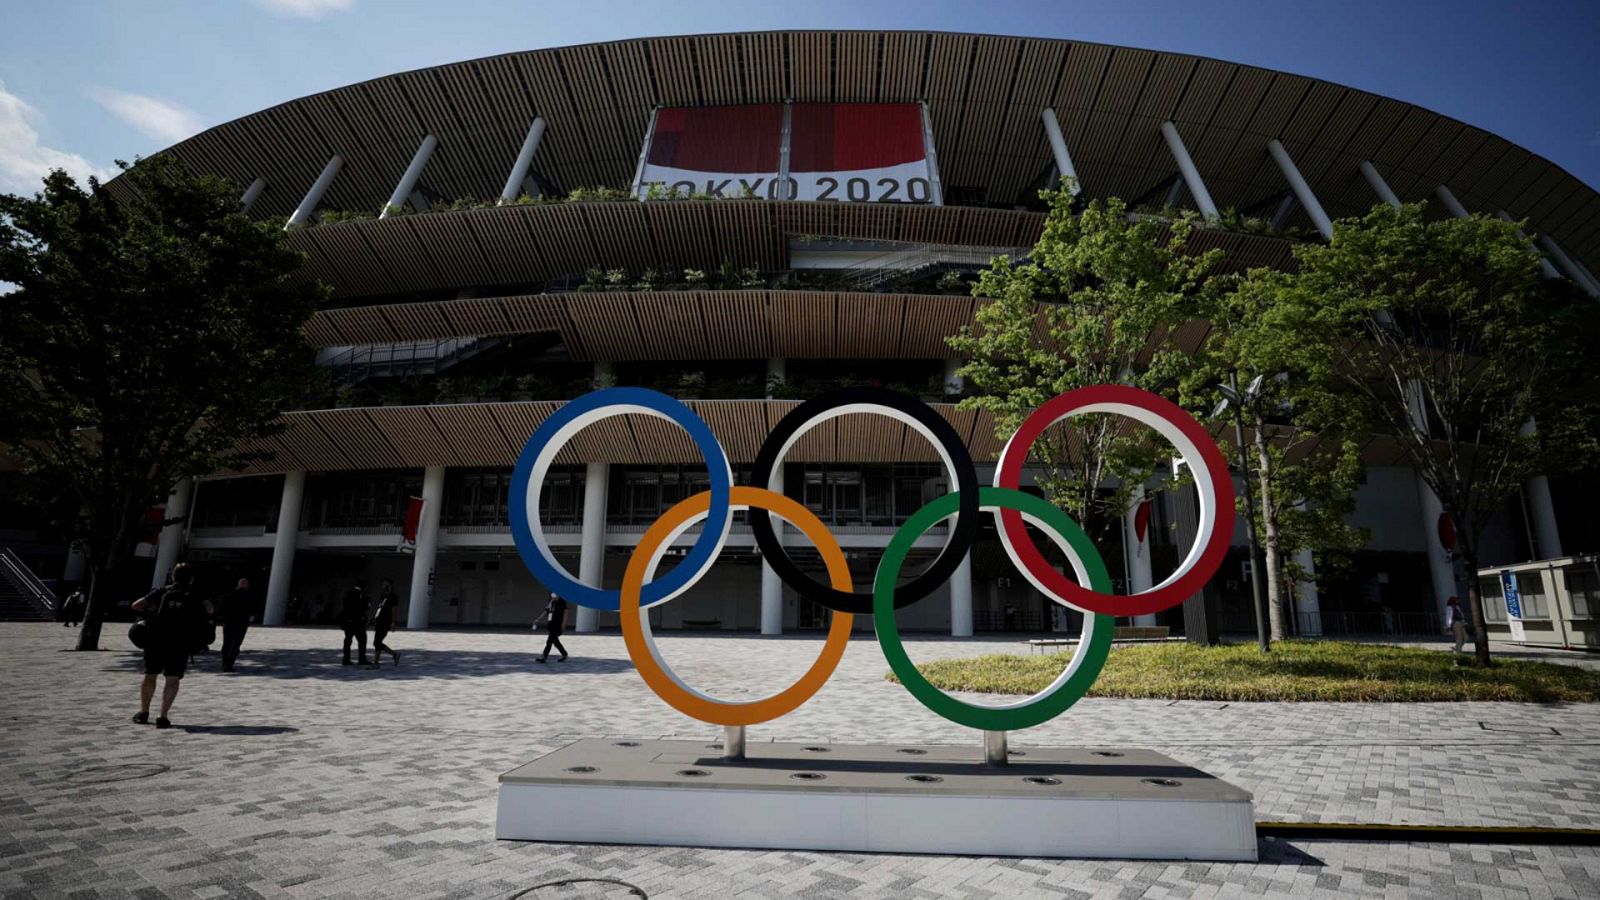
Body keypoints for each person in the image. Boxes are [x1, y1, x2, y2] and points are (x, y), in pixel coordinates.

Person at [131, 564, 213, 729]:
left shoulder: (162, 591)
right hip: (180, 641)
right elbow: (210, 610)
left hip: (156, 639)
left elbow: (136, 605)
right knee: (172, 679)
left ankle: (143, 712)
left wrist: (151, 608)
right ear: (190, 578)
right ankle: (163, 716)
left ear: (173, 576)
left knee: (150, 675)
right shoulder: (196, 594)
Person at [216, 577, 255, 672]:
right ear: (246, 585)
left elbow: (222, 607)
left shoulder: (230, 595)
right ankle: (229, 663)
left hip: (229, 622)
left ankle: (225, 663)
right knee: (236, 643)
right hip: (241, 622)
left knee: (227, 643)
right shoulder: (248, 596)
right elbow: (251, 609)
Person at [370, 579, 400, 666]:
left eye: (385, 585)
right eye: (383, 585)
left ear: (390, 586)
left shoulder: (393, 596)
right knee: (377, 641)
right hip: (380, 621)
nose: (383, 587)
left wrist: (393, 622)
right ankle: (393, 655)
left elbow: (394, 610)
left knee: (377, 642)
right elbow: (379, 608)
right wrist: (374, 617)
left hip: (386, 621)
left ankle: (378, 662)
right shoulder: (383, 596)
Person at [340, 584, 370, 666]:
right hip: (358, 622)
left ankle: (346, 659)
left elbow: (344, 606)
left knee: (348, 641)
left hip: (348, 621)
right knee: (362, 641)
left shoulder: (348, 594)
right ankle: (362, 659)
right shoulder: (362, 595)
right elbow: (366, 607)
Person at [536, 591, 569, 663]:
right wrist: (538, 619)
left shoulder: (562, 602)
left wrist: (563, 625)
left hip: (557, 625)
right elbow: (546, 612)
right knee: (555, 642)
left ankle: (544, 657)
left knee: (549, 641)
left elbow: (565, 613)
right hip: (551, 625)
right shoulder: (551, 602)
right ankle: (564, 654)